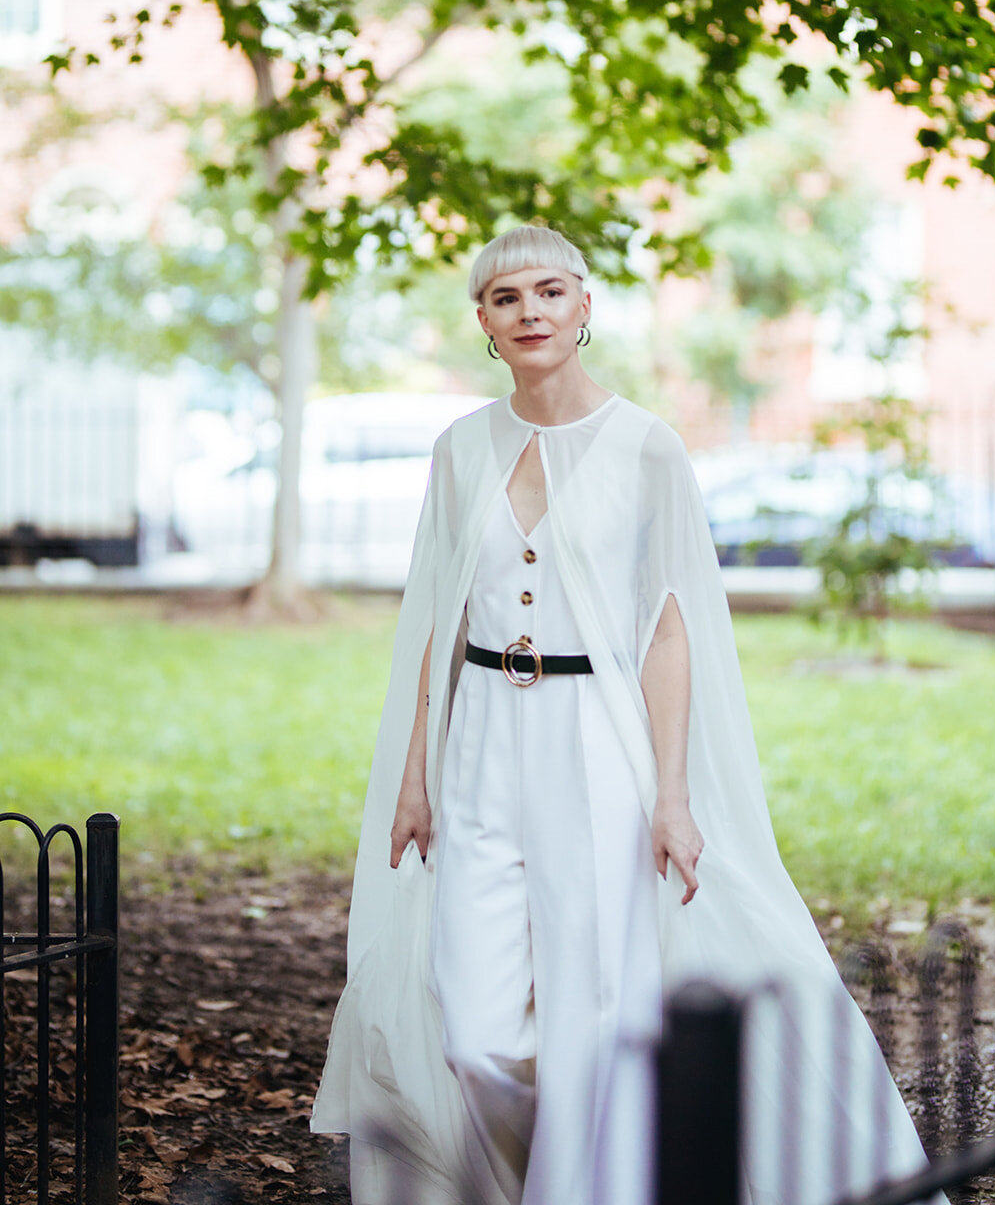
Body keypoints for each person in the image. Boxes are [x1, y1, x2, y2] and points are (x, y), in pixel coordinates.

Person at [311, 225, 941, 1205]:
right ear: (480, 319)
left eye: (549, 291)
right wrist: (410, 775)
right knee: (475, 1026)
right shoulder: (458, 448)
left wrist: (673, 796)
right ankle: (535, 1176)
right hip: (478, 739)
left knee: (593, 1010)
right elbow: (435, 614)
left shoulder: (646, 447)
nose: (529, 312)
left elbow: (667, 631)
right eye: (506, 297)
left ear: (584, 306)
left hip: (595, 746)